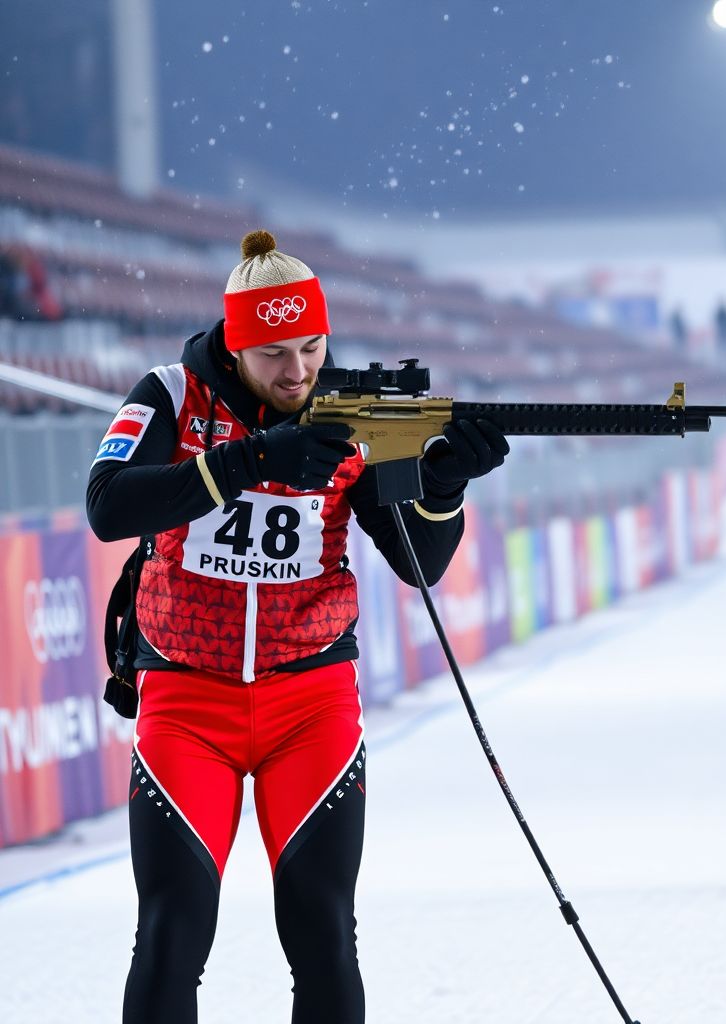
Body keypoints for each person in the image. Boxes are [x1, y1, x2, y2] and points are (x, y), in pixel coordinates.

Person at [86, 229, 510, 1024]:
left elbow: (418, 562)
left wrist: (442, 486)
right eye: (275, 354)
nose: (299, 372)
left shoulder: (351, 412)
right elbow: (108, 504)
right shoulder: (171, 395)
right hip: (187, 703)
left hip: (310, 703)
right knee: (173, 931)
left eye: (312, 347)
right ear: (235, 347)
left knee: (321, 933)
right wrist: (250, 461)